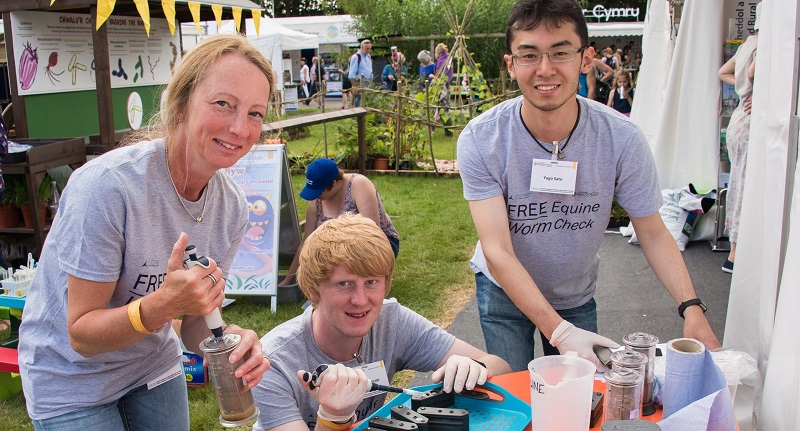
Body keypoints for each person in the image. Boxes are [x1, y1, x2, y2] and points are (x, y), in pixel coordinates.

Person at [17, 34, 274, 429]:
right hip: (70, 377)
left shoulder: (232, 207)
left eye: (255, 113)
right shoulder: (108, 187)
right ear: (183, 103)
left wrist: (234, 342)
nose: (240, 128)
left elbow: (193, 324)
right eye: (223, 103)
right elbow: (81, 334)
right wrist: (163, 305)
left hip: (150, 366)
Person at [457, 0, 720, 373]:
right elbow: (497, 250)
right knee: (512, 397)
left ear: (585, 59)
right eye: (529, 55)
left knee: (580, 401)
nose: (545, 69)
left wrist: (691, 307)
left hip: (574, 292)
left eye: (560, 52)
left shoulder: (621, 138)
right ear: (511, 64)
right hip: (503, 292)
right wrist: (561, 334)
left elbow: (652, 231)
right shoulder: (482, 138)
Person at [253, 214, 511, 431]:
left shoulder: (392, 321)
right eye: (344, 284)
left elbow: (502, 368)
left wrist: (474, 368)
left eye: (372, 282)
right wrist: (333, 418)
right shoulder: (272, 363)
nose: (361, 300)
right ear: (313, 290)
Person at [279, 158, 400, 287]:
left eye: (319, 191)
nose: (316, 195)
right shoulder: (317, 199)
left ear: (334, 182)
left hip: (377, 243)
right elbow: (306, 243)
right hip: (337, 249)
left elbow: (372, 234)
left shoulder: (359, 185)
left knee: (338, 262)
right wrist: (288, 280)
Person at [717, 3, 759, 274]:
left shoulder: (747, 44)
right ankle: (734, 253)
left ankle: (735, 251)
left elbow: (723, 72)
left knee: (738, 183)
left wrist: (743, 90)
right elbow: (754, 73)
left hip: (738, 122)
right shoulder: (764, 45)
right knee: (745, 186)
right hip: (749, 121)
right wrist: (759, 93)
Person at [434, 42, 454, 137]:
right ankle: (448, 130)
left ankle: (448, 131)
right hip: (446, 84)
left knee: (443, 108)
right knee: (443, 107)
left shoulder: (442, 60)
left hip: (442, 86)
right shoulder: (448, 59)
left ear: (438, 52)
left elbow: (439, 73)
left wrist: (435, 78)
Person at [349, 39, 374, 107]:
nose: (368, 50)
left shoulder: (368, 56)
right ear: (362, 47)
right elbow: (351, 74)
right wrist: (354, 87)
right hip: (359, 83)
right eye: (367, 49)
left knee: (368, 104)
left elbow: (370, 69)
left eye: (369, 49)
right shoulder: (356, 57)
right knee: (358, 105)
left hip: (368, 83)